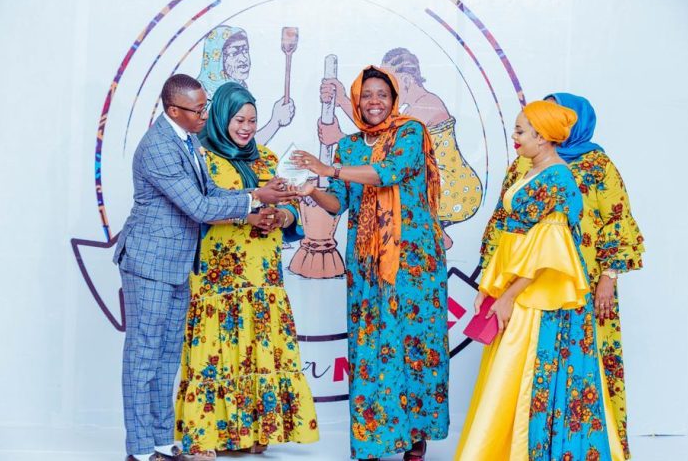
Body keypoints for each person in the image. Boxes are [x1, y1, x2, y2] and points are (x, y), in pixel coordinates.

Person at [112, 74, 295, 461]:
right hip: (149, 262)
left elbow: (210, 192)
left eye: (205, 107)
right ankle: (140, 450)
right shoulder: (159, 147)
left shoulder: (188, 140)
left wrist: (255, 197)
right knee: (143, 357)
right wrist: (254, 199)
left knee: (166, 358)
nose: (204, 116)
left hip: (179, 264)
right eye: (197, 110)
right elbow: (198, 207)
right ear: (173, 110)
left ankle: (162, 443)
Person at [292, 65, 449, 461]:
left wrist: (328, 169)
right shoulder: (348, 147)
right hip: (366, 264)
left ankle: (415, 436)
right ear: (357, 101)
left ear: (394, 99)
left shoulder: (410, 133)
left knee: (413, 343)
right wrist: (312, 189)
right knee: (370, 347)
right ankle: (371, 441)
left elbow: (388, 173)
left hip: (414, 263)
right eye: (366, 95)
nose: (374, 101)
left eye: (382, 94)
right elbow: (339, 202)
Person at [479, 93, 644, 459]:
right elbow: (503, 221)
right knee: (529, 363)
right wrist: (492, 280)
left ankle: (580, 444)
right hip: (526, 276)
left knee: (581, 363)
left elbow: (618, 220)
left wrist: (608, 278)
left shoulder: (597, 165)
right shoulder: (525, 163)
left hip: (580, 277)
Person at [173, 82, 319, 458]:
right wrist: (249, 213)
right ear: (221, 117)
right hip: (218, 276)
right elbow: (197, 210)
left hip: (262, 277)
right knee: (214, 354)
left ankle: (251, 431)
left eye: (252, 120)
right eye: (239, 119)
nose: (247, 127)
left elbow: (293, 210)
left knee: (259, 351)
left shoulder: (267, 158)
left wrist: (281, 217)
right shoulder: (200, 158)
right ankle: (204, 436)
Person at [318, 47, 482, 248]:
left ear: (405, 80)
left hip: (451, 185)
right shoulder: (407, 113)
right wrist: (343, 102)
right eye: (366, 95)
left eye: (386, 89)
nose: (377, 99)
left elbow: (387, 157)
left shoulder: (421, 112)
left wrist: (338, 136)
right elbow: (376, 138)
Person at [197, 25, 295, 145]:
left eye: (245, 50)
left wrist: (276, 122)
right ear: (216, 58)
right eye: (234, 53)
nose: (243, 59)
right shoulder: (204, 97)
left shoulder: (239, 90)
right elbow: (232, 149)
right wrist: (275, 122)